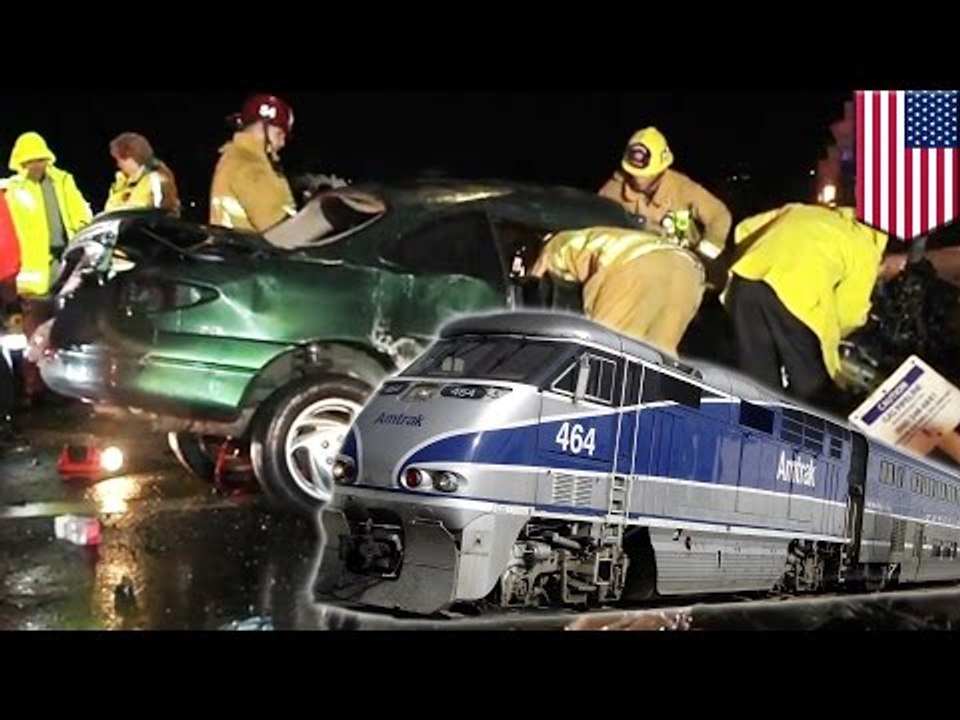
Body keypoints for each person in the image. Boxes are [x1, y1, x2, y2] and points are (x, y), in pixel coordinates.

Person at [724, 203, 888, 403]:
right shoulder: (865, 246)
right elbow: (849, 313)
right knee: (811, 385)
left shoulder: (809, 212)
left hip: (747, 279)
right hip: (793, 297)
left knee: (757, 378)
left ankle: (757, 429)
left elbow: (747, 228)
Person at [530, 226, 705, 356]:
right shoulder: (607, 232)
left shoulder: (555, 245)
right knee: (661, 352)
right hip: (688, 270)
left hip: (636, 266)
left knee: (606, 349)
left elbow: (534, 279)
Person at [599, 127, 732, 263]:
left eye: (645, 174)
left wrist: (705, 253)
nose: (638, 179)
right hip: (635, 263)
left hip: (684, 261)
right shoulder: (612, 191)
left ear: (662, 168)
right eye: (633, 174)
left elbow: (719, 214)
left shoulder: (681, 187)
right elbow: (596, 228)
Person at [209, 94, 297, 232]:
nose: (282, 143)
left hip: (236, 249)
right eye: (280, 134)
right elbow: (279, 230)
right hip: (249, 252)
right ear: (263, 127)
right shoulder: (248, 164)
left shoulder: (236, 157)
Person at [104, 132, 180, 215]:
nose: (118, 164)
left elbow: (163, 213)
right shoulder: (120, 184)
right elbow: (109, 212)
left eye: (119, 160)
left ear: (131, 158)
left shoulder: (156, 180)